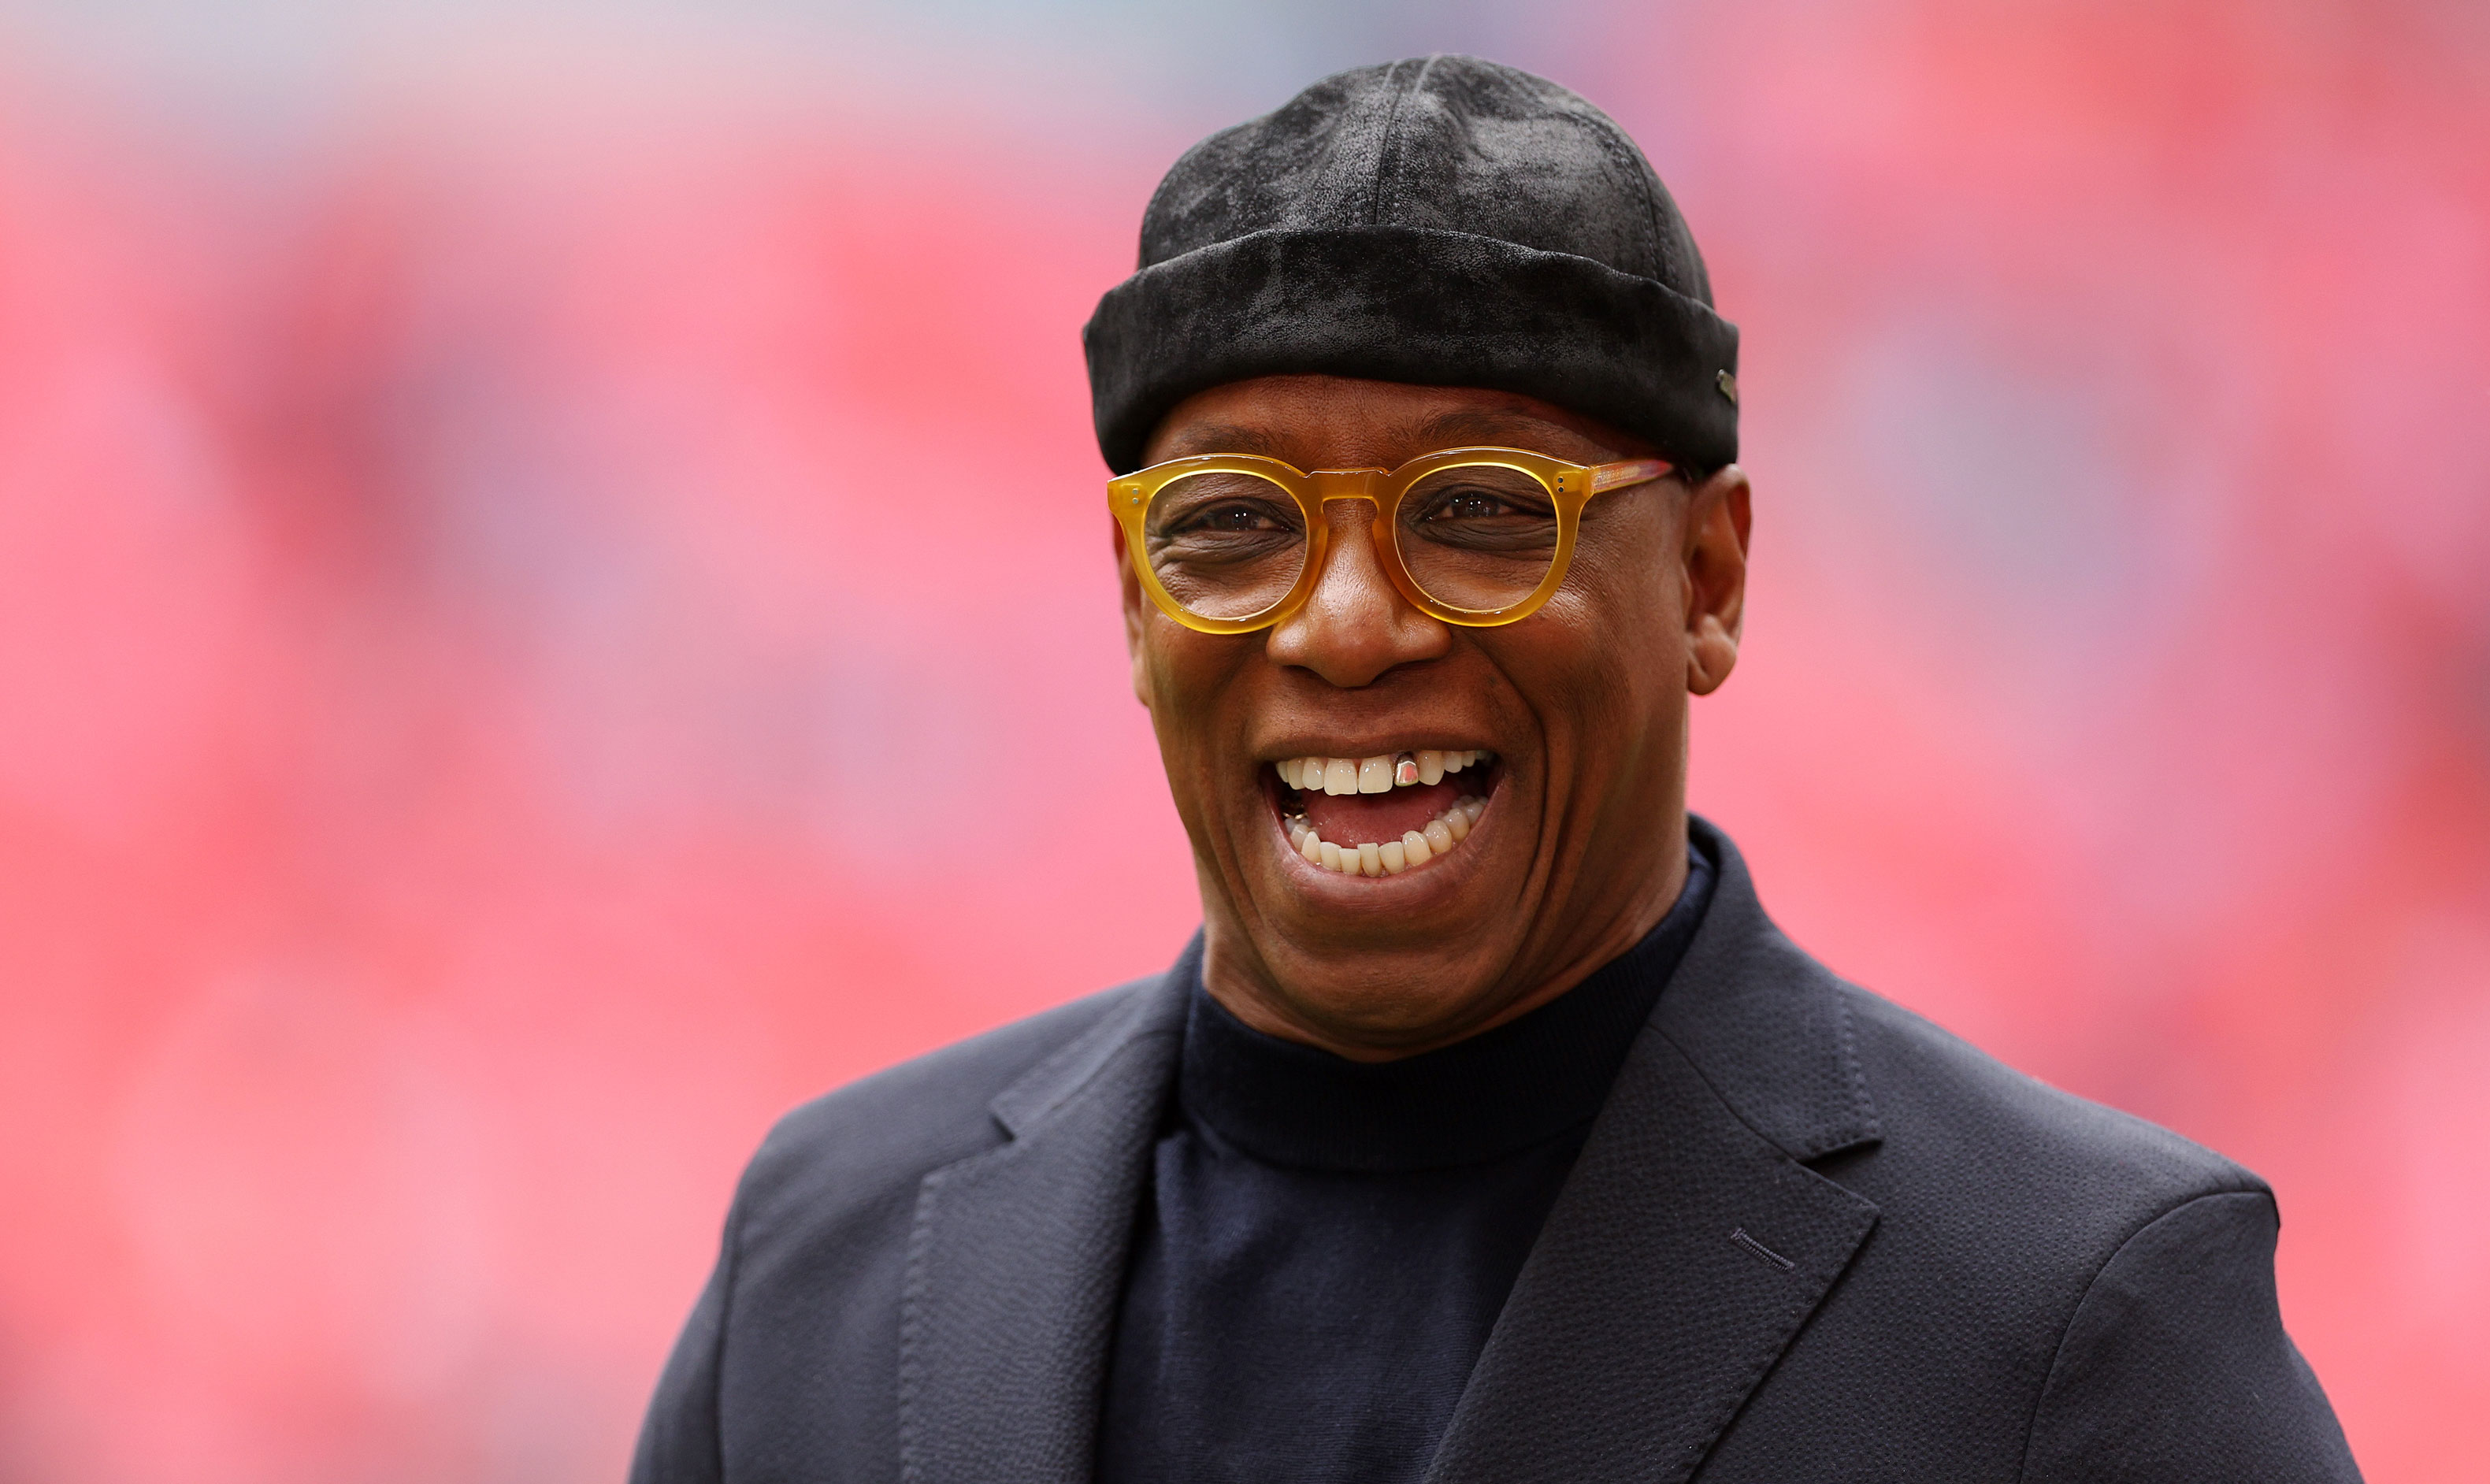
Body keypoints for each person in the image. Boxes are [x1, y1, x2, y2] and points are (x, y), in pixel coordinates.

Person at [632, 55, 2361, 1484]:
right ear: (1136, 603)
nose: (1346, 627)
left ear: (1708, 581)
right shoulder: (830, 1258)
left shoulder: (2075, 1319)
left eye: (1480, 513)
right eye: (1233, 524)